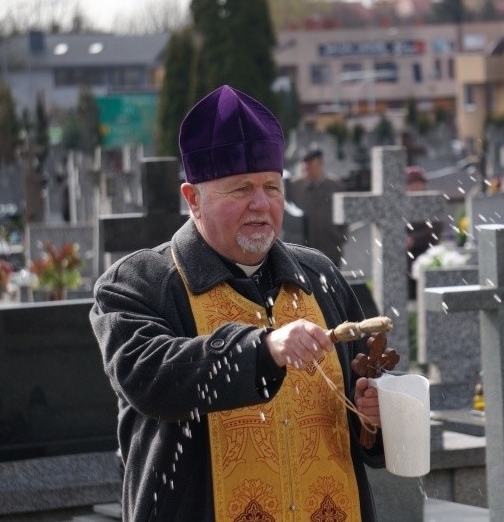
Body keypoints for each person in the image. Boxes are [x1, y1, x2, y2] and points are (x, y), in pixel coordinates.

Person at [90, 85, 385, 521]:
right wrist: (262, 349)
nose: (261, 205)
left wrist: (376, 418)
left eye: (272, 187)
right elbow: (151, 380)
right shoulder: (138, 284)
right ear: (193, 199)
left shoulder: (319, 276)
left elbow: (368, 418)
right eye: (241, 188)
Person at [286, 148, 347, 267]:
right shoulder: (295, 186)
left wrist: (340, 237)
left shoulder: (335, 185)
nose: (306, 168)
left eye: (310, 164)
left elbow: (345, 214)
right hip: (305, 250)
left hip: (331, 248)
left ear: (320, 163)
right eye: (305, 164)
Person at [405, 166, 442, 300]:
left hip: (427, 253)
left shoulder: (431, 202)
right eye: (411, 183)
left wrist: (413, 239)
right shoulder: (401, 204)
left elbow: (435, 230)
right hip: (405, 259)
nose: (414, 187)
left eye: (417, 183)